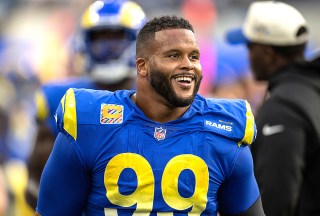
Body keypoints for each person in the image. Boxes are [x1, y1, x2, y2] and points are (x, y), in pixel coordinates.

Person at [35, 15, 265, 216]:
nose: (188, 65)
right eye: (174, 56)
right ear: (142, 66)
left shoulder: (225, 129)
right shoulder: (88, 122)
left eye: (194, 57)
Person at [24, 0, 147, 213]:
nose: (107, 48)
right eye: (99, 39)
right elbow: (34, 187)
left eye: (115, 39)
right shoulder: (60, 98)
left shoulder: (158, 94)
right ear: (84, 42)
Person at [226, 1, 320, 215]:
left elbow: (274, 200)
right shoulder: (310, 91)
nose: (248, 55)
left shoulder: (284, 107)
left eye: (250, 46)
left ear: (267, 53)